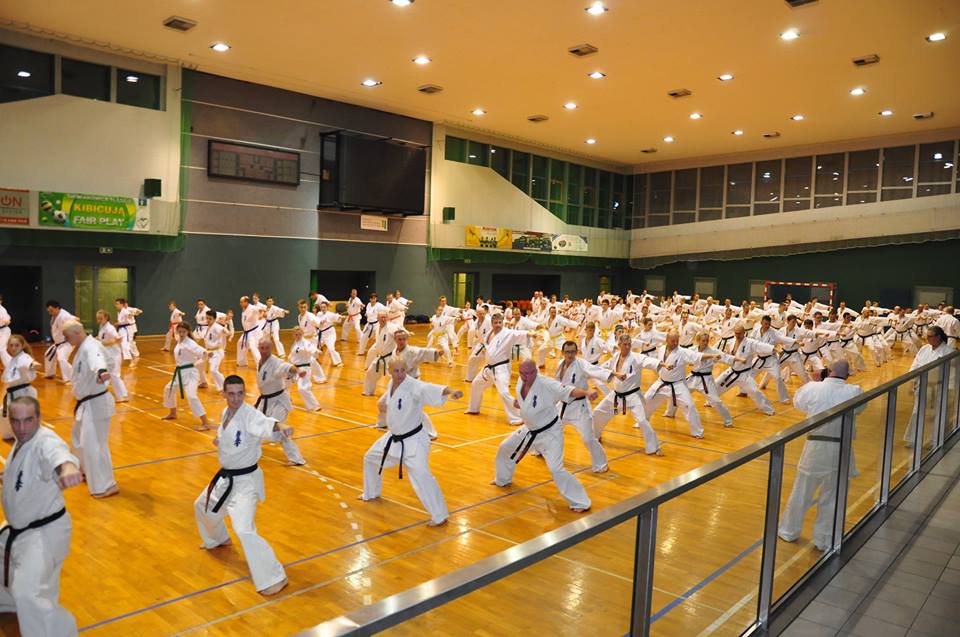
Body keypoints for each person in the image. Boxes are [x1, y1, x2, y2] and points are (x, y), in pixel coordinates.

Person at [193, 375, 290, 596]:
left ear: (244, 393)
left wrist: (281, 426)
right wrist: (220, 441)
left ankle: (275, 577)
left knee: (244, 529)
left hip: (246, 482)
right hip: (226, 478)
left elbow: (266, 423)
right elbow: (228, 437)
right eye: (231, 394)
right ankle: (218, 538)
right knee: (202, 506)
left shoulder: (249, 414)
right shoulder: (226, 413)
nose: (236, 398)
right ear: (224, 394)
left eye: (240, 394)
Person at [0, 396, 83, 636]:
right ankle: (8, 603)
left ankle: (60, 632)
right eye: (15, 421)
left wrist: (67, 468)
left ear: (39, 418)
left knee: (29, 592)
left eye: (28, 420)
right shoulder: (22, 442)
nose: (21, 428)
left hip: (43, 533)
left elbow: (57, 456)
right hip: (19, 528)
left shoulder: (45, 441)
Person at [359, 360, 463, 526]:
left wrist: (451, 391)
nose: (400, 374)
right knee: (370, 458)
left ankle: (440, 515)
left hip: (413, 440)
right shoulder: (392, 384)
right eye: (396, 371)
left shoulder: (413, 385)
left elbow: (430, 388)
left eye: (403, 370)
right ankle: (370, 493)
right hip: (393, 437)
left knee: (422, 476)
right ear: (389, 371)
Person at [778, 360, 864, 551]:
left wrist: (816, 382)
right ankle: (824, 540)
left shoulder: (813, 388)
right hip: (841, 448)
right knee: (832, 496)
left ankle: (788, 530)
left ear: (828, 371)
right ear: (847, 374)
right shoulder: (854, 391)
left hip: (815, 447)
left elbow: (798, 403)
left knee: (801, 492)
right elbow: (859, 409)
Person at [492, 360, 596, 512]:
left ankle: (581, 502)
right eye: (523, 373)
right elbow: (526, 400)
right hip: (530, 429)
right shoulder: (520, 381)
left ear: (536, 371)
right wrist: (520, 403)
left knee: (556, 469)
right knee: (505, 447)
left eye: (530, 373)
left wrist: (587, 393)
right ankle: (502, 479)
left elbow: (569, 391)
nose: (527, 376)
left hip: (550, 433)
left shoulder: (546, 384)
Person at [63, 321, 118, 498]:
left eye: (67, 336)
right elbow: (110, 360)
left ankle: (106, 485)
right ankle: (86, 471)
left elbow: (98, 360)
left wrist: (101, 371)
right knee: (78, 441)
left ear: (76, 333)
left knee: (95, 445)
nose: (65, 339)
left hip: (96, 404)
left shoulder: (90, 347)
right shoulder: (83, 347)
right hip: (87, 404)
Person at [592, 333, 666, 455]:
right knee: (598, 412)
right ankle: (596, 436)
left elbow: (648, 360)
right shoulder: (616, 356)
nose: (627, 347)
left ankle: (654, 447)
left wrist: (663, 364)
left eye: (629, 344)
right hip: (616, 396)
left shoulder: (636, 357)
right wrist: (593, 371)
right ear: (619, 345)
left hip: (633, 396)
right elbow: (604, 368)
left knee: (642, 421)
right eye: (625, 344)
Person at [645, 330, 720, 439]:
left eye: (677, 340)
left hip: (678, 385)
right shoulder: (661, 349)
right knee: (647, 399)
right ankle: (643, 422)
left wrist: (712, 355)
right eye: (673, 341)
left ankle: (698, 432)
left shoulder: (682, 352)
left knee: (690, 406)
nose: (675, 343)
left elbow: (697, 356)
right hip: (662, 383)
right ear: (667, 340)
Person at [465, 313, 531, 425]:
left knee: (504, 393)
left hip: (500, 369)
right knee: (476, 384)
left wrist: (531, 333)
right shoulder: (489, 333)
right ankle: (473, 409)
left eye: (500, 322)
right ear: (492, 323)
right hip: (488, 369)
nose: (498, 325)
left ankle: (518, 417)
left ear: (502, 322)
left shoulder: (507, 333)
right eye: (495, 323)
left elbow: (519, 333)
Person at [554, 341, 609, 473]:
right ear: (562, 353)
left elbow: (596, 370)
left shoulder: (581, 364)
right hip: (563, 406)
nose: (570, 355)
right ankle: (541, 451)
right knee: (549, 429)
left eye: (573, 352)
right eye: (567, 352)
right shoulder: (560, 364)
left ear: (576, 352)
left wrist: (614, 375)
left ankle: (601, 464)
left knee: (588, 438)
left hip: (580, 407)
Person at [252, 340, 307, 465]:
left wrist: (298, 371)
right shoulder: (260, 361)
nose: (264, 350)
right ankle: (252, 451)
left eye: (267, 348)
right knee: (256, 425)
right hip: (265, 400)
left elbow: (287, 367)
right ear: (258, 348)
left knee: (277, 428)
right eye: (262, 348)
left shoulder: (276, 362)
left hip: (279, 401)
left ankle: (296, 459)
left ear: (271, 348)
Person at [903, 326, 954, 448]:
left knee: (938, 414)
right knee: (917, 412)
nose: (927, 339)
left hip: (940, 387)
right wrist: (912, 381)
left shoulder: (948, 352)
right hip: (923, 385)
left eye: (930, 336)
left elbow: (952, 373)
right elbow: (915, 365)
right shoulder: (924, 349)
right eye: (927, 336)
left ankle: (936, 440)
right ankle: (913, 438)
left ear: (938, 337)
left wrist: (950, 389)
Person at [714, 323, 777, 416]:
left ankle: (769, 410)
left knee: (755, 391)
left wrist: (772, 349)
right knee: (717, 383)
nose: (737, 335)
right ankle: (711, 401)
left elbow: (760, 345)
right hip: (732, 371)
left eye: (739, 333)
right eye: (736, 333)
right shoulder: (732, 342)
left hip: (744, 375)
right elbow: (729, 356)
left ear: (744, 332)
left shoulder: (750, 342)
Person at [162, 322, 211, 430]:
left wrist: (206, 354)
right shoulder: (180, 341)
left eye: (183, 332)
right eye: (179, 331)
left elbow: (202, 352)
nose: (181, 333)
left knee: (192, 396)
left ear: (188, 331)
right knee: (168, 389)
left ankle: (205, 423)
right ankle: (173, 413)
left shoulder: (190, 343)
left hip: (190, 373)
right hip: (180, 373)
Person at [1, 335, 38, 441]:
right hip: (14, 392)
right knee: (3, 413)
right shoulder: (13, 359)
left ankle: (27, 438)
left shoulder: (24, 357)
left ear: (22, 346)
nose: (13, 348)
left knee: (21, 416)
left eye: (17, 345)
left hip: (24, 393)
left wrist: (34, 365)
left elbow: (30, 363)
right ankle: (9, 434)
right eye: (11, 345)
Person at [361, 312, 401, 396]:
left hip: (390, 358)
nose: (383, 319)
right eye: (381, 317)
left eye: (385, 317)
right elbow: (377, 343)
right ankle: (368, 391)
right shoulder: (377, 327)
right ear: (377, 318)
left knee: (393, 376)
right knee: (370, 372)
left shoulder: (391, 327)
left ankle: (399, 394)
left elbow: (398, 334)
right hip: (380, 357)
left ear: (387, 318)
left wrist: (404, 335)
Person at [95, 310, 129, 403]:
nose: (99, 320)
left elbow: (116, 337)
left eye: (101, 319)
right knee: (101, 372)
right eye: (97, 319)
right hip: (106, 354)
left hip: (114, 354)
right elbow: (102, 337)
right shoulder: (102, 326)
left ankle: (123, 395)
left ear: (106, 318)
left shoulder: (110, 328)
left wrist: (118, 339)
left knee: (114, 375)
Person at [287, 327, 322, 412]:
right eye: (296, 334)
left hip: (304, 368)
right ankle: (287, 399)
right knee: (284, 383)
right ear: (293, 335)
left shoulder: (306, 343)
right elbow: (293, 355)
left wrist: (316, 351)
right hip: (294, 368)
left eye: (299, 334)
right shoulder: (295, 343)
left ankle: (315, 405)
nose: (298, 336)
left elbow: (311, 348)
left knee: (303, 388)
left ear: (302, 334)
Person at [43, 301, 76, 382]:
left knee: (61, 359)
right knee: (48, 355)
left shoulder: (64, 316)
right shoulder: (56, 315)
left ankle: (71, 378)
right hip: (58, 343)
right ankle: (50, 374)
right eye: (48, 311)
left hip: (67, 343)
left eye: (51, 311)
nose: (50, 313)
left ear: (57, 308)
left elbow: (75, 320)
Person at [203, 310, 228, 392]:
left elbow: (223, 330)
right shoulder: (209, 327)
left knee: (213, 370)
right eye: (207, 318)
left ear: (214, 319)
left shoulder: (216, 327)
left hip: (217, 352)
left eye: (210, 319)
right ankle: (220, 387)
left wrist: (226, 331)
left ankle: (224, 386)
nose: (208, 320)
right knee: (212, 370)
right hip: (210, 352)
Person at [237, 296, 264, 367]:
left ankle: (261, 365)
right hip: (246, 332)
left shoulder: (252, 308)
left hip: (253, 332)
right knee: (240, 343)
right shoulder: (244, 308)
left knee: (253, 347)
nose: (240, 303)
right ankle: (242, 362)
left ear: (246, 302)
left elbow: (261, 309)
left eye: (241, 302)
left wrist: (261, 315)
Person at [314, 301, 343, 367]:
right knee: (315, 346)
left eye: (324, 307)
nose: (323, 308)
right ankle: (314, 359)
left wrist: (340, 317)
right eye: (321, 307)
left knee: (331, 348)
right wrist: (320, 323)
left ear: (327, 307)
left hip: (330, 334)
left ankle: (338, 362)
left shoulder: (331, 314)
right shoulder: (319, 314)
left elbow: (337, 318)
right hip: (321, 334)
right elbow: (317, 323)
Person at [113, 298, 142, 363]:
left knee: (128, 343)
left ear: (122, 304)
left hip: (128, 329)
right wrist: (117, 324)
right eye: (115, 304)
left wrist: (133, 313)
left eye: (117, 304)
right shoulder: (119, 311)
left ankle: (134, 356)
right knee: (119, 342)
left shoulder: (125, 311)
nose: (115, 305)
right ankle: (121, 355)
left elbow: (131, 314)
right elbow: (121, 321)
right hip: (122, 328)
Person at [0, 295, 11, 368]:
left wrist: (5, 321)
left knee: (2, 350)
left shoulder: (2, 309)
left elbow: (8, 321)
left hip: (4, 330)